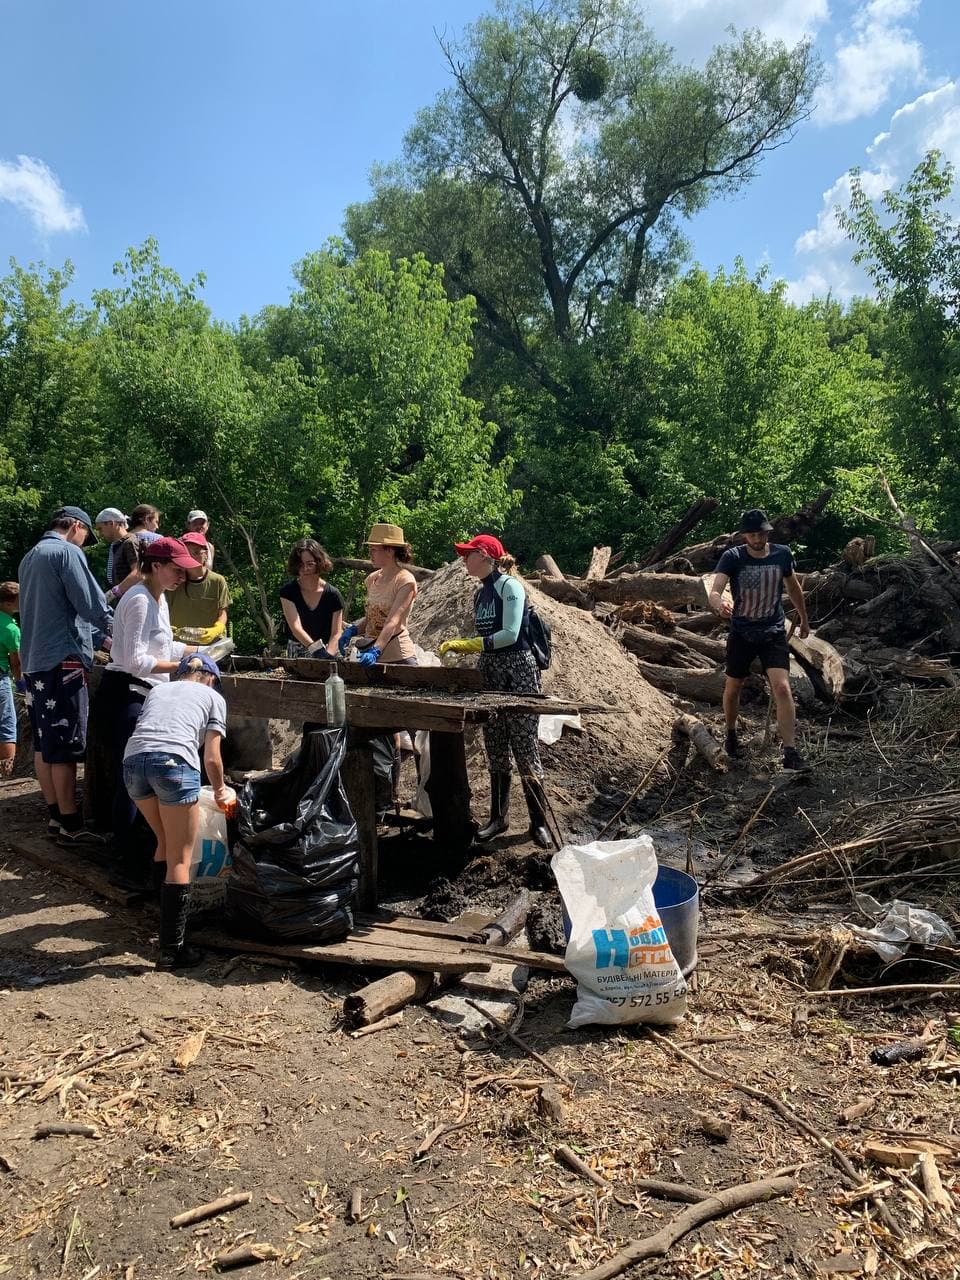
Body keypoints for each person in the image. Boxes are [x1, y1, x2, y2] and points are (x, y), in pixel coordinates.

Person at [439, 534, 553, 848]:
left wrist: (467, 645)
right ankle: (498, 818)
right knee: (496, 743)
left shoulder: (509, 586)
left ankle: (538, 822)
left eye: (468, 554)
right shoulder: (481, 594)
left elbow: (510, 634)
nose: (464, 560)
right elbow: (490, 636)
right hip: (490, 667)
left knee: (524, 743)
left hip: (518, 667)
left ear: (486, 556)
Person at [97, 536, 199, 881]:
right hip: (125, 694)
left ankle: (144, 858)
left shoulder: (160, 597)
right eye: (176, 570)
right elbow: (134, 660)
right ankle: (124, 864)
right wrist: (184, 667)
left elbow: (165, 643)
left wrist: (197, 649)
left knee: (141, 784)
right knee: (132, 785)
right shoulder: (139, 599)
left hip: (145, 693)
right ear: (155, 567)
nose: (181, 576)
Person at [123, 651, 228, 969]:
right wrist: (220, 790)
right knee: (181, 857)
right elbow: (211, 758)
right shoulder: (212, 697)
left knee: (164, 842)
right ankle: (172, 949)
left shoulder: (158, 690)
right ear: (210, 677)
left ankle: (162, 920)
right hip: (173, 764)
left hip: (133, 764)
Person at [17, 506, 113, 845]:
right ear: (75, 526)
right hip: (63, 661)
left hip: (34, 662)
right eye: (86, 535)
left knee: (46, 743)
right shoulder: (67, 552)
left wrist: (100, 637)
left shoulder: (30, 558)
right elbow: (90, 603)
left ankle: (57, 817)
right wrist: (118, 629)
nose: (84, 543)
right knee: (68, 742)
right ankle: (73, 825)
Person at [708, 508, 810, 771]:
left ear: (767, 533)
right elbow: (715, 588)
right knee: (734, 685)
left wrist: (803, 618)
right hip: (742, 630)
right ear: (744, 536)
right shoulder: (733, 557)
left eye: (760, 534)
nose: (756, 539)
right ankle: (730, 733)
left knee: (783, 688)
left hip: (773, 630)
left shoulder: (781, 554)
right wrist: (719, 604)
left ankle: (790, 753)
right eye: (751, 535)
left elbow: (793, 587)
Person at [338, 523, 418, 667]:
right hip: (368, 656)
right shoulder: (372, 579)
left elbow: (392, 621)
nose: (370, 554)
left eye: (374, 550)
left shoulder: (405, 581)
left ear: (390, 551)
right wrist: (353, 629)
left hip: (397, 656)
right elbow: (372, 617)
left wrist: (376, 651)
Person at [279, 539, 343, 657]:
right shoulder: (288, 592)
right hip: (298, 649)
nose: (305, 569)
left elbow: (336, 632)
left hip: (329, 648)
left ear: (319, 563)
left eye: (310, 564)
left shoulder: (333, 594)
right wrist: (316, 649)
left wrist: (328, 654)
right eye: (300, 564)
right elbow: (295, 627)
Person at [167, 533, 231, 643]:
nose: (191, 557)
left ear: (206, 554)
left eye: (196, 553)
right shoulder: (173, 580)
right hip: (178, 645)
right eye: (186, 554)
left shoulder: (217, 581)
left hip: (209, 646)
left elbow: (223, 612)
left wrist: (217, 628)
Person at [0, 581, 22, 781]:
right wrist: (20, 682)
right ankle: (6, 773)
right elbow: (16, 662)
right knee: (7, 723)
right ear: (9, 604)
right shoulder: (10, 628)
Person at [95, 507, 140, 603]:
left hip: (132, 601)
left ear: (112, 523)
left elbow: (138, 572)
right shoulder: (118, 545)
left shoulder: (129, 542)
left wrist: (116, 591)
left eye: (100, 529)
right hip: (124, 601)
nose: (100, 534)